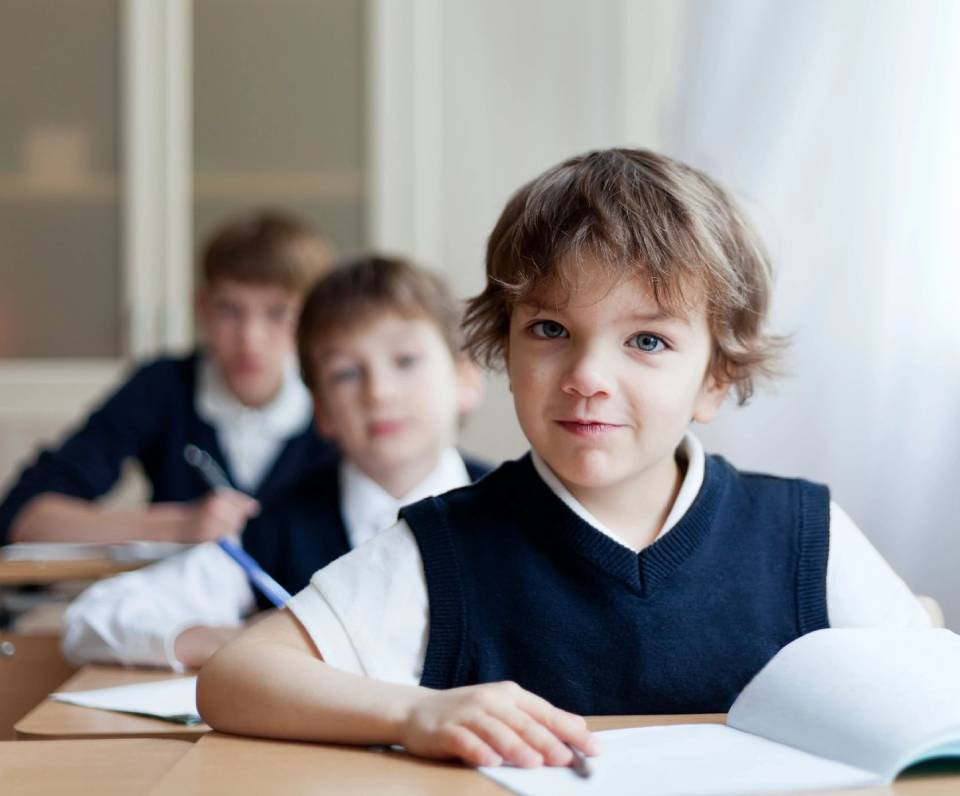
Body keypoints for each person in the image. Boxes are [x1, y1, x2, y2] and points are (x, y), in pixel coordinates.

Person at [196, 149, 931, 770]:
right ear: (504, 355)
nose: (587, 376)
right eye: (550, 329)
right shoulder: (445, 547)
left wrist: (914, 638)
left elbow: (924, 689)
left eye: (646, 341)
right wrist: (417, 712)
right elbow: (235, 677)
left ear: (715, 379)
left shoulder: (802, 533)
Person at [62, 255, 488, 669]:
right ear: (320, 410)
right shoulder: (279, 527)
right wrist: (239, 641)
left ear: (465, 379)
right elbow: (93, 620)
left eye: (406, 361)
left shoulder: (520, 511)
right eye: (346, 373)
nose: (378, 392)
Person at [0, 211, 335, 546]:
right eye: (229, 310)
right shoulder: (163, 387)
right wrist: (178, 526)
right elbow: (24, 517)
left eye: (278, 313)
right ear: (201, 307)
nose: (250, 338)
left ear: (313, 319)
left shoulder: (337, 397)